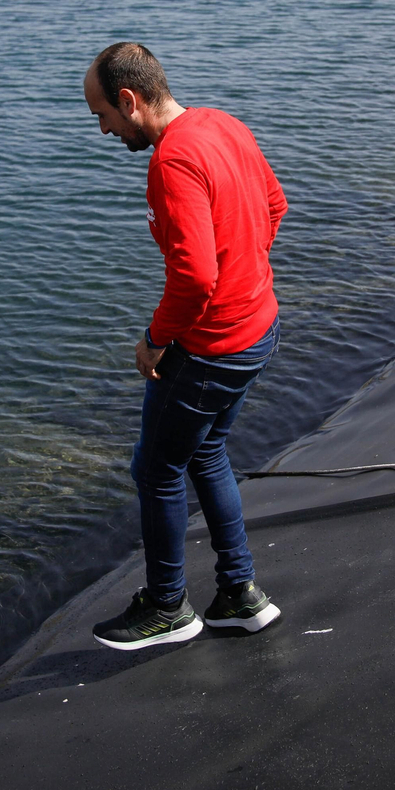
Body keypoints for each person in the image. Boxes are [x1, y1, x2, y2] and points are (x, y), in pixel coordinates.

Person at [82, 42, 288, 651]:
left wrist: (154, 339)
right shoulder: (223, 123)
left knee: (155, 468)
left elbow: (196, 278)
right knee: (206, 452)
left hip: (211, 350)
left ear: (129, 100)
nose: (104, 130)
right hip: (259, 328)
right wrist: (245, 275)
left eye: (103, 116)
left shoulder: (172, 161)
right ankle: (239, 594)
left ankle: (168, 606)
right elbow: (274, 205)